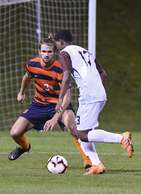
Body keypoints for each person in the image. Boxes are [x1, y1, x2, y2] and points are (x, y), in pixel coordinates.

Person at [44, 30, 133, 175]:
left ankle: (121, 139)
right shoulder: (85, 51)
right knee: (83, 131)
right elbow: (103, 73)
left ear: (60, 42)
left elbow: (66, 76)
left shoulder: (65, 52)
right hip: (99, 94)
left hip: (89, 96)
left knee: (79, 133)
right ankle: (97, 164)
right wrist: (98, 90)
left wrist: (60, 99)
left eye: (56, 45)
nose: (57, 48)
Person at [8, 35, 92, 170]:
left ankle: (88, 160)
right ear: (39, 51)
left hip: (59, 105)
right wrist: (21, 92)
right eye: (44, 51)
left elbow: (67, 99)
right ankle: (25, 147)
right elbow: (27, 78)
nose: (46, 55)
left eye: (50, 52)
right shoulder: (32, 64)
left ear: (54, 52)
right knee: (15, 133)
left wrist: (54, 119)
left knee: (74, 129)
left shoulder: (60, 69)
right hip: (39, 104)